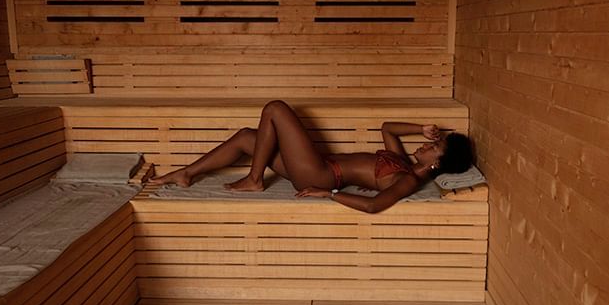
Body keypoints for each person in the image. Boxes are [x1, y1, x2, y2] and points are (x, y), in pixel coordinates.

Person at [155, 100, 474, 214]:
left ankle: (254, 180)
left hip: (320, 174)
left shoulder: (405, 179)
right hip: (316, 165)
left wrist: (329, 194)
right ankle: (186, 173)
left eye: (435, 146)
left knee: (276, 109)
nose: (427, 143)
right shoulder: (403, 161)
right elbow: (387, 127)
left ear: (437, 163)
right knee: (246, 138)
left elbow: (374, 206)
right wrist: (423, 127)